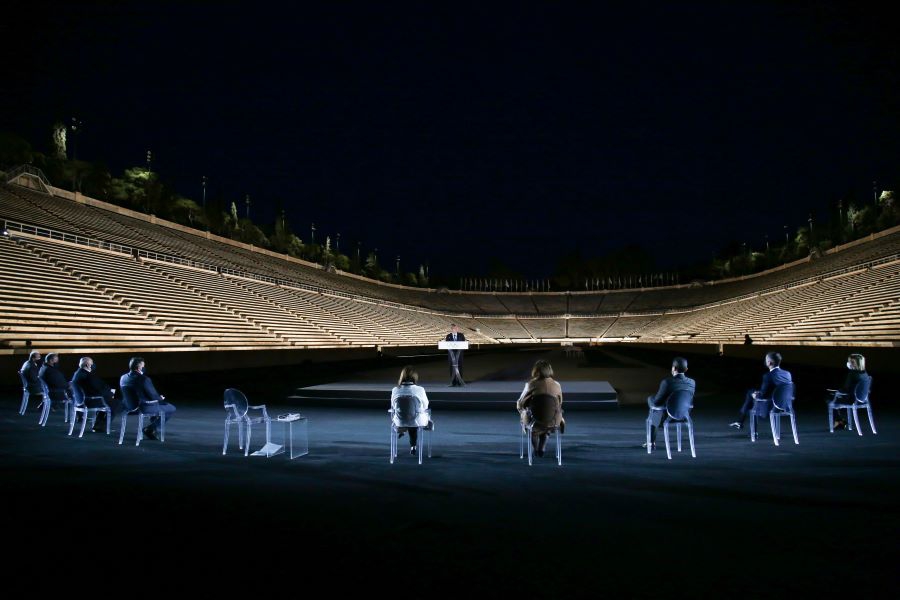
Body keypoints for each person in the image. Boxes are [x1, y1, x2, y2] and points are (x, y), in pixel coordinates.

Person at [729, 351, 792, 430]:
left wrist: (755, 395)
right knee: (752, 392)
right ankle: (740, 421)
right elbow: (780, 390)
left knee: (750, 393)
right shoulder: (787, 374)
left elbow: (763, 395)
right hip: (785, 405)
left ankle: (741, 421)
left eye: (766, 360)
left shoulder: (767, 376)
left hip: (771, 406)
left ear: (769, 362)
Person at [644, 357, 696, 450]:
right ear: (686, 369)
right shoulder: (692, 382)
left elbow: (657, 402)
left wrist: (650, 400)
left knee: (653, 408)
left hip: (667, 417)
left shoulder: (667, 382)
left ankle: (651, 443)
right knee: (658, 408)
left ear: (673, 368)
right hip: (684, 415)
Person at [516, 360, 564, 457]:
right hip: (553, 420)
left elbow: (521, 403)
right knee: (546, 423)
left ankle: (536, 448)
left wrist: (522, 409)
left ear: (536, 371)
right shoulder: (557, 385)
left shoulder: (531, 384)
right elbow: (560, 403)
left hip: (534, 420)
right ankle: (542, 447)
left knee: (533, 425)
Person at [119, 357, 175, 441]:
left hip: (128, 408)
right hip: (143, 408)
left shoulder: (123, 377)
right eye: (143, 366)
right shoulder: (144, 379)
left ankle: (152, 426)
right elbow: (153, 396)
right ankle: (151, 428)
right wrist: (160, 398)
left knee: (152, 406)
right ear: (139, 367)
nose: (144, 367)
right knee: (171, 408)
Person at [390, 365, 432, 455]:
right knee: (415, 417)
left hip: (400, 420)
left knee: (409, 416)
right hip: (415, 420)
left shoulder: (395, 390)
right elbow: (425, 405)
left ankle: (404, 430)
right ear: (415, 377)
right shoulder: (420, 389)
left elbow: (393, 406)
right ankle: (413, 445)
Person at [71, 356, 118, 432]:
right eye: (92, 363)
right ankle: (102, 426)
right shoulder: (88, 376)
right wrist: (110, 393)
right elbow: (99, 389)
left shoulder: (77, 373)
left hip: (81, 401)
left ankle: (99, 425)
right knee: (115, 403)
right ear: (87, 365)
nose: (93, 365)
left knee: (108, 402)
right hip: (90, 401)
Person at [827, 353, 869, 430]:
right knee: (833, 396)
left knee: (829, 397)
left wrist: (837, 391)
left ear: (856, 363)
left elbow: (845, 389)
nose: (849, 364)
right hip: (862, 399)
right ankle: (839, 421)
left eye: (851, 362)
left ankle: (839, 421)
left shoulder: (852, 374)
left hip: (851, 399)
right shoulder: (865, 373)